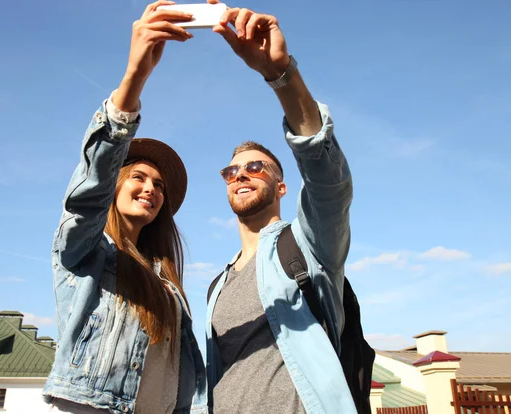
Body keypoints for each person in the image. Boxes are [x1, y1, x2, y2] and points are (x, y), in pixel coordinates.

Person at [42, 2, 207, 413]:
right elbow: (87, 197)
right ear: (114, 186)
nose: (151, 188)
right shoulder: (87, 251)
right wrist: (135, 78)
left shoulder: (165, 279)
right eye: (138, 178)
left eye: (159, 186)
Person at [205, 3, 358, 413]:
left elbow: (330, 183)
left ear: (281, 185)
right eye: (231, 170)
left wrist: (280, 75)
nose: (241, 174)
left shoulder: (307, 246)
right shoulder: (215, 288)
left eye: (256, 167)